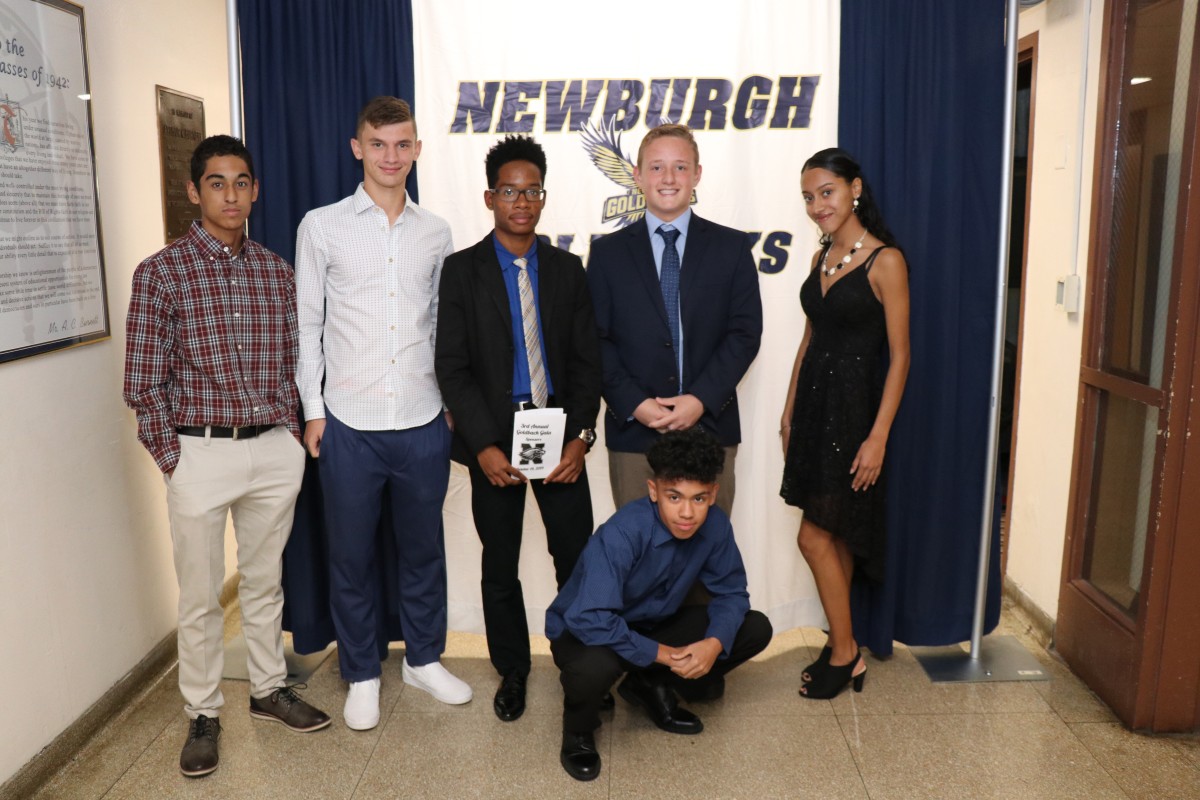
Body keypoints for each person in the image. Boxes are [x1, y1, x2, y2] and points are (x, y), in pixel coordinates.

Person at [124, 135, 331, 778]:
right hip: (199, 453)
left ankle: (269, 689)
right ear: (194, 191)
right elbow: (143, 382)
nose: (232, 195)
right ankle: (203, 712)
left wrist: (293, 436)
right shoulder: (160, 273)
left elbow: (301, 361)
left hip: (272, 450)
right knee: (200, 597)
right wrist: (173, 458)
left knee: (266, 583)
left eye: (242, 182)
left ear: (256, 190)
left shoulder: (276, 272)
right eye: (218, 183)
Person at [294, 96, 470, 732]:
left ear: (417, 150)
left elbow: (440, 325)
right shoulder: (322, 225)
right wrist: (313, 410)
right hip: (348, 424)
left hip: (423, 420)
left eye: (403, 145)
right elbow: (307, 323)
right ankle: (362, 673)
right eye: (379, 144)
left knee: (424, 552)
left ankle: (423, 660)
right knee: (351, 558)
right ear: (357, 147)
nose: (391, 156)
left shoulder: (437, 231)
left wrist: (449, 405)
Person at [435, 134, 602, 722]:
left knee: (576, 558)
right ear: (490, 197)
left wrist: (581, 438)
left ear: (543, 197)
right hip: (494, 433)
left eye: (532, 190)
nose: (522, 201)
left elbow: (586, 364)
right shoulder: (460, 272)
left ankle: (583, 665)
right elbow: (451, 367)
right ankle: (513, 670)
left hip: (558, 427)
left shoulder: (567, 270)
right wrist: (481, 444)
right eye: (510, 191)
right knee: (499, 563)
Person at [545, 428, 773, 781]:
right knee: (593, 670)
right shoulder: (623, 532)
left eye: (699, 498)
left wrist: (713, 645)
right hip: (587, 630)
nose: (687, 513)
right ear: (654, 491)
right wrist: (665, 655)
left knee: (753, 627)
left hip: (650, 624)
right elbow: (592, 618)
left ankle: (647, 684)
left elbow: (732, 592)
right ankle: (578, 729)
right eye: (674, 496)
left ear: (713, 494)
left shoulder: (715, 527)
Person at [779, 147, 910, 699]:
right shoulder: (820, 259)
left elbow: (901, 356)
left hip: (855, 415)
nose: (816, 206)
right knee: (828, 536)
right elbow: (810, 339)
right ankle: (845, 645)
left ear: (854, 188)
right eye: (808, 198)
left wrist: (877, 437)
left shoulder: (886, 261)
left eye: (825, 193)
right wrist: (788, 410)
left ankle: (845, 651)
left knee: (816, 536)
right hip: (813, 409)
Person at [586, 123, 762, 518]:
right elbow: (595, 341)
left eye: (680, 167)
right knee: (638, 561)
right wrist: (636, 403)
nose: (668, 178)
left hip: (710, 428)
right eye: (656, 167)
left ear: (697, 174)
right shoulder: (607, 254)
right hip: (635, 434)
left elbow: (744, 333)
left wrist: (700, 400)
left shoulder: (732, 248)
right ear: (637, 175)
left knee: (705, 561)